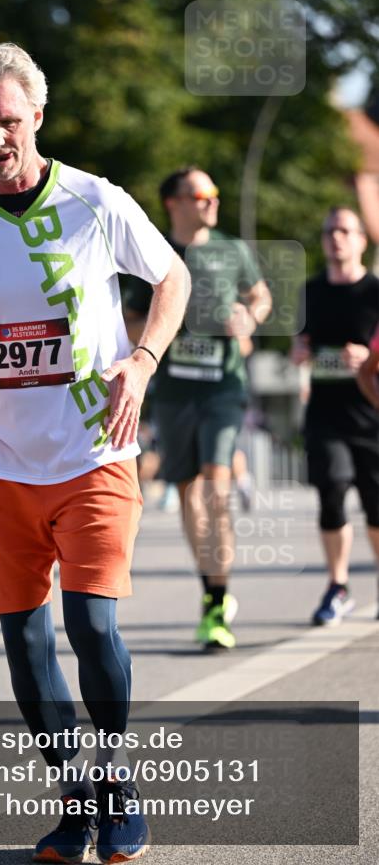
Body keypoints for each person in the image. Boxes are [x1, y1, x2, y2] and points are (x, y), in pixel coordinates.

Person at [0, 43, 188, 863]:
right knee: (24, 642)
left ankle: (116, 779)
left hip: (94, 451)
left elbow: (170, 280)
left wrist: (141, 359)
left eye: (8, 122)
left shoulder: (95, 201)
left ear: (38, 118)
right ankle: (73, 802)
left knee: (92, 628)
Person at [124, 167, 271, 650]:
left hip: (223, 389)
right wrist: (154, 333)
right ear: (174, 204)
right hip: (173, 393)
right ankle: (211, 587)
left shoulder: (232, 250)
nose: (211, 201)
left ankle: (216, 599)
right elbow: (127, 319)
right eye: (199, 195)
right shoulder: (151, 253)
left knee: (215, 482)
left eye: (214, 194)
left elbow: (261, 296)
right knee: (188, 492)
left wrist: (248, 317)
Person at [291, 207, 379, 625]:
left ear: (362, 239)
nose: (336, 237)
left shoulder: (375, 293)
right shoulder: (310, 292)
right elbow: (298, 344)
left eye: (345, 230)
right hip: (325, 413)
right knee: (332, 489)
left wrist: (369, 358)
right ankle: (337, 585)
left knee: (376, 508)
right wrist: (299, 353)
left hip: (372, 414)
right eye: (329, 231)